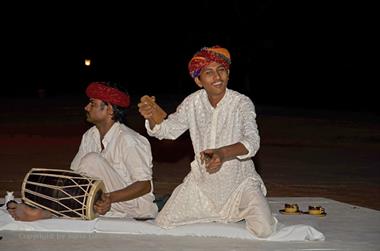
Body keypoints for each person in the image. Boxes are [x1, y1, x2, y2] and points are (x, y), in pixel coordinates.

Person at [138, 45, 277, 238]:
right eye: (209, 72)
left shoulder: (241, 103)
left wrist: (221, 153)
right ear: (198, 80)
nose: (217, 77)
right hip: (203, 182)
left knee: (264, 229)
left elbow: (252, 142)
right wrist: (152, 116)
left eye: (221, 70)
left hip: (239, 182)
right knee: (164, 222)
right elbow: (168, 130)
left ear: (228, 74)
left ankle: (237, 211)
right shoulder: (192, 102)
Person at [7, 81, 158, 221]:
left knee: (91, 160)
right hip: (106, 204)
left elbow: (144, 185)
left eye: (92, 103)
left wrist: (109, 198)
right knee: (78, 177)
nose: (86, 107)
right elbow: (77, 177)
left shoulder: (129, 140)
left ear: (109, 109)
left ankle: (45, 213)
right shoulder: (90, 135)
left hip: (136, 208)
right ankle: (43, 210)